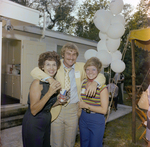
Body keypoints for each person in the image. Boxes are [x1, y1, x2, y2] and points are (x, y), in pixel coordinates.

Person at [30, 42, 106, 147]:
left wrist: (95, 83)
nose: (71, 57)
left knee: (70, 143)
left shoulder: (80, 67)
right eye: (68, 54)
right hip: (57, 109)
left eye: (74, 54)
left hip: (73, 111)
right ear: (63, 55)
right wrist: (50, 79)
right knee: (57, 143)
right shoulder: (56, 65)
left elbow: (100, 75)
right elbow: (34, 71)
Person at [22, 51, 67, 147]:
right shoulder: (37, 83)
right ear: (42, 67)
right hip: (34, 123)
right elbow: (34, 110)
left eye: (54, 65)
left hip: (46, 122)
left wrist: (58, 102)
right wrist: (50, 92)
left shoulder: (52, 83)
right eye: (48, 65)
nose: (51, 68)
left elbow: (47, 104)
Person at [78, 57, 109, 147]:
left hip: (96, 119)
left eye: (93, 69)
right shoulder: (83, 83)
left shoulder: (102, 88)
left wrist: (86, 106)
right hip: (83, 118)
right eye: (88, 69)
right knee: (84, 144)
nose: (90, 72)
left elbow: (104, 110)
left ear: (98, 71)